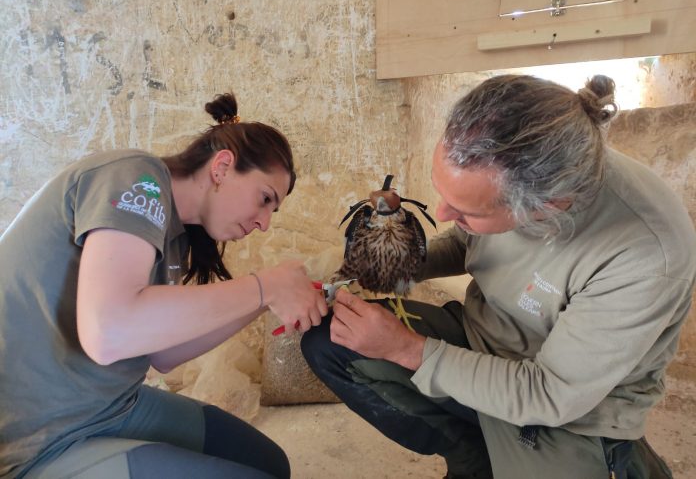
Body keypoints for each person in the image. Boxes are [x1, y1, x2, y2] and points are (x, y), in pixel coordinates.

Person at [302, 74, 696, 479]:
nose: (442, 215)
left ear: (545, 208)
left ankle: (616, 462)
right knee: (331, 341)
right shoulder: (516, 166)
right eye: (445, 196)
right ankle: (474, 452)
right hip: (483, 339)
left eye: (466, 210)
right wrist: (399, 264)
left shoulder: (645, 253)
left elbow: (549, 392)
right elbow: (470, 239)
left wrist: (405, 348)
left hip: (566, 408)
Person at [0, 92, 328, 478]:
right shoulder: (135, 178)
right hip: (41, 437)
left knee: (272, 464)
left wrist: (265, 300)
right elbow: (109, 333)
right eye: (265, 199)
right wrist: (264, 285)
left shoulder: (178, 234)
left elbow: (165, 354)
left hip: (111, 404)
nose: (264, 223)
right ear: (222, 167)